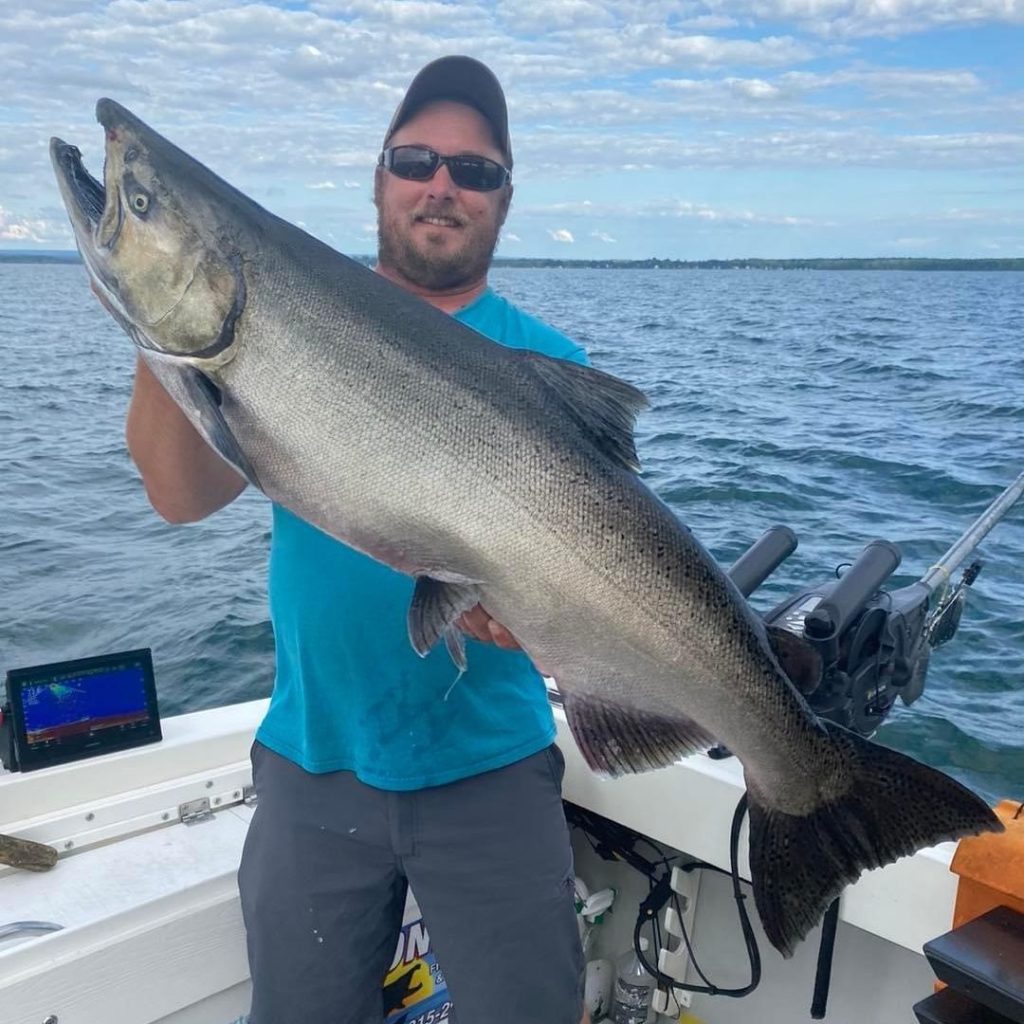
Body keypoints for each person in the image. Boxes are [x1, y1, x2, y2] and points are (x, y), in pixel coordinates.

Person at [125, 55, 590, 1024]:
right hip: (311, 756)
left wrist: (543, 623)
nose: (442, 184)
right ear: (378, 177)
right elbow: (179, 493)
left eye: (476, 169)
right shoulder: (289, 315)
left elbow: (595, 586)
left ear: (505, 196)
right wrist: (158, 310)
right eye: (417, 157)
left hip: (491, 766)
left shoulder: (548, 362)